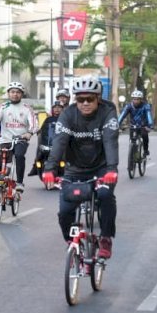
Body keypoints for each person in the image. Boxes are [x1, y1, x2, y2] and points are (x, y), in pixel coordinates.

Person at [42, 75, 119, 259]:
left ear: (98, 98)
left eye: (90, 99)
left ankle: (106, 237)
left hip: (102, 168)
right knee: (65, 212)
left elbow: (110, 141)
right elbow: (59, 142)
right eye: (80, 99)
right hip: (74, 169)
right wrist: (50, 169)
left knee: (105, 195)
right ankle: (72, 243)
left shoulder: (108, 111)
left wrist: (112, 169)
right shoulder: (67, 115)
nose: (85, 103)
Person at [0, 82, 38, 192]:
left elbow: (34, 123)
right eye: (12, 92)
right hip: (5, 139)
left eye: (18, 92)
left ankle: (19, 182)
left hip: (20, 139)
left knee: (19, 156)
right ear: (8, 94)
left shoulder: (27, 108)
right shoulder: (3, 107)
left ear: (21, 94)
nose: (15, 94)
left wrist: (29, 133)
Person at [29, 102, 63, 177]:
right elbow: (43, 129)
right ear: (52, 109)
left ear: (62, 109)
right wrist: (39, 131)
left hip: (61, 142)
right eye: (55, 107)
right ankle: (35, 167)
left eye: (59, 107)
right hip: (49, 142)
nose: (57, 109)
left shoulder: (65, 119)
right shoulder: (48, 119)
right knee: (40, 151)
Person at [118, 89, 154, 156]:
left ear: (141, 99)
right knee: (132, 140)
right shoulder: (128, 106)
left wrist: (150, 125)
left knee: (144, 136)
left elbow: (149, 116)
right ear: (132, 99)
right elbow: (122, 115)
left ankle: (146, 150)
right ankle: (132, 156)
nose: (136, 101)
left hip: (143, 126)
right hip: (133, 125)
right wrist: (117, 124)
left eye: (138, 99)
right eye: (134, 99)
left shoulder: (146, 106)